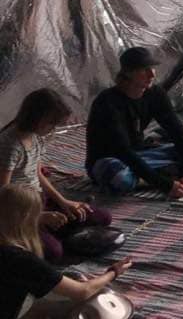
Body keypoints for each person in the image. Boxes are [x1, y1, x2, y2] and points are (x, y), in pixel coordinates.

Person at [0, 184, 132, 319]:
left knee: (63, 286)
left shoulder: (17, 258)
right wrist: (113, 272)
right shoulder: (19, 259)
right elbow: (83, 292)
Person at [86, 47, 183, 199]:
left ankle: (142, 179)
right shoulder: (107, 102)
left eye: (152, 68)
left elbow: (179, 134)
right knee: (118, 176)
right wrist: (165, 185)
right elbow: (123, 151)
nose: (152, 74)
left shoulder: (155, 94)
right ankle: (158, 175)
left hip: (145, 155)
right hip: (113, 159)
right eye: (145, 70)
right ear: (128, 73)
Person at [0, 89, 113, 263]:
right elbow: (4, 197)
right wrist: (38, 217)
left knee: (102, 217)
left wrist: (63, 202)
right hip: (17, 212)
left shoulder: (36, 137)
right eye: (51, 123)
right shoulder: (10, 146)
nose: (52, 129)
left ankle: (53, 230)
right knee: (54, 252)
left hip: (38, 201)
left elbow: (37, 173)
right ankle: (45, 232)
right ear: (35, 118)